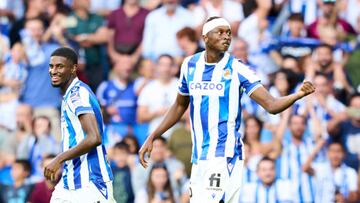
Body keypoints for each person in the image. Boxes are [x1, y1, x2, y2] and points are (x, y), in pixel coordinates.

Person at [139, 16, 315, 203]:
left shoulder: (237, 69)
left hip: (225, 154)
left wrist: (298, 95)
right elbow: (180, 105)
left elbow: (271, 105)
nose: (226, 37)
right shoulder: (190, 65)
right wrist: (153, 135)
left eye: (229, 33)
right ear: (205, 37)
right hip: (199, 156)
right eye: (220, 32)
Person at [44, 47, 115, 202]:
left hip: (90, 182)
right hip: (70, 181)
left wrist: (58, 159)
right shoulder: (70, 94)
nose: (53, 71)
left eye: (60, 66)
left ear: (74, 68)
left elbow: (94, 137)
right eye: (51, 66)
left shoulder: (77, 94)